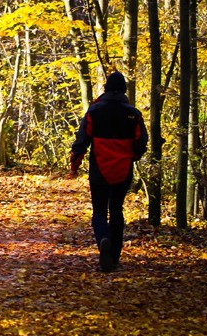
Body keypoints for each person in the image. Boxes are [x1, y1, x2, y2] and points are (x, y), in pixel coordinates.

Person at [69, 71, 148, 272]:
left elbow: (82, 140)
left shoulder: (94, 111)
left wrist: (74, 165)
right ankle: (114, 256)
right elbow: (141, 141)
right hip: (123, 170)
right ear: (123, 90)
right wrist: (134, 155)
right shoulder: (134, 114)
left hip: (99, 169)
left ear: (105, 88)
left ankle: (103, 238)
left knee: (99, 211)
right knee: (117, 210)